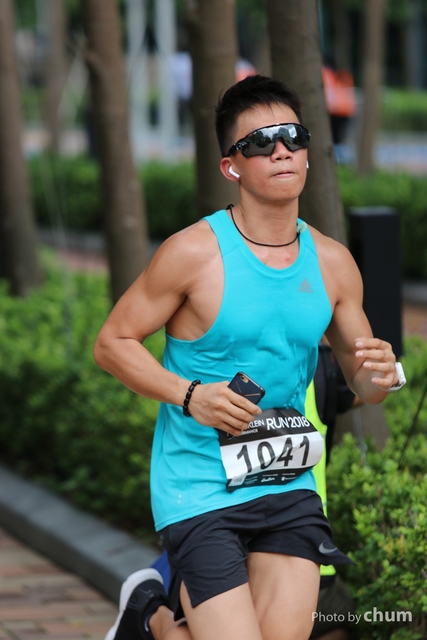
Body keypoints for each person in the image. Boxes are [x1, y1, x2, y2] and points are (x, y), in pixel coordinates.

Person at [94, 74, 404, 640]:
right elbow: (112, 343)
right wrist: (190, 396)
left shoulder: (333, 263)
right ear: (231, 166)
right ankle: (155, 617)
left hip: (288, 482)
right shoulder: (192, 253)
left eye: (293, 136)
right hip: (199, 485)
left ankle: (151, 621)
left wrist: (380, 375)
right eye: (260, 142)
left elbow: (366, 385)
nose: (281, 150)